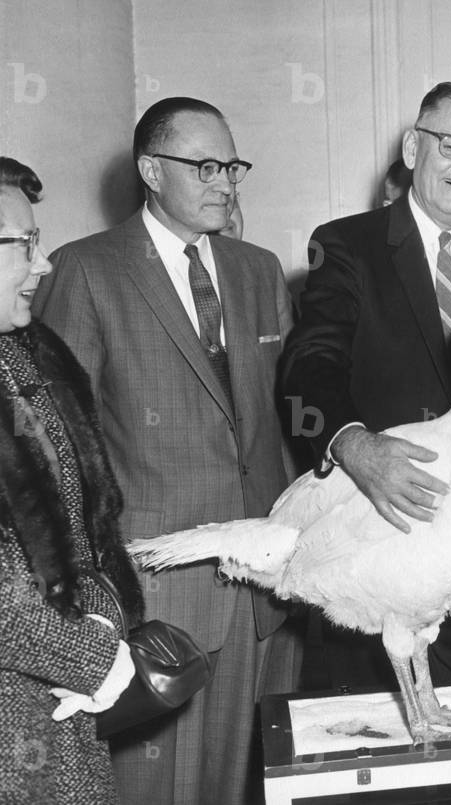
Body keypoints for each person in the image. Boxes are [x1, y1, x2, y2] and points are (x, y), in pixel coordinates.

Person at [33, 97, 302, 805]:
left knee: (246, 786)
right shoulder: (86, 269)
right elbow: (60, 445)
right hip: (158, 589)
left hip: (263, 588)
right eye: (204, 166)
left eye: (232, 167)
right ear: (152, 171)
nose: (225, 182)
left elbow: (282, 422)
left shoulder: (257, 269)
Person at [279, 82, 451, 686]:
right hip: (376, 551)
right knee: (362, 731)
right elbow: (310, 365)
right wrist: (354, 447)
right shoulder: (345, 244)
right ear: (413, 148)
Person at [0, 157, 142, 803]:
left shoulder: (25, 350)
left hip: (58, 707)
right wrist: (89, 654)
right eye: (24, 244)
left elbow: (84, 522)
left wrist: (105, 620)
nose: (44, 264)